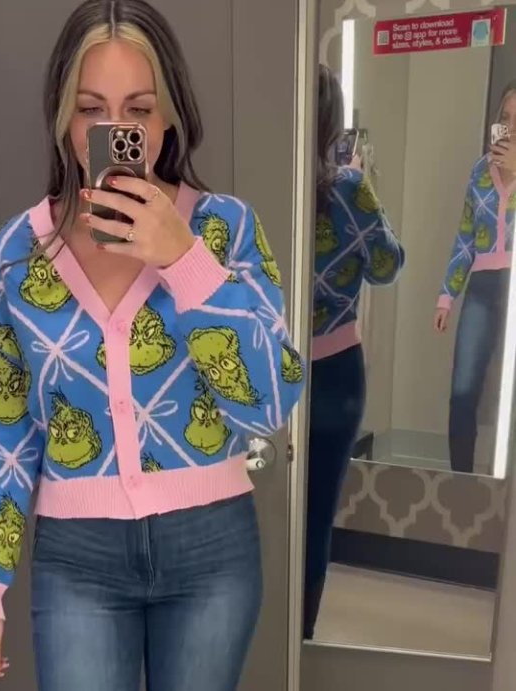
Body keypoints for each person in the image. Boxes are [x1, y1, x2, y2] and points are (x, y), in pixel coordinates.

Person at [0, 1, 305, 689]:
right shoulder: (17, 254)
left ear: (168, 116)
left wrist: (185, 262)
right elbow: (4, 433)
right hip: (76, 557)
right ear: (63, 118)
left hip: (212, 548)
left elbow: (268, 402)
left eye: (139, 110)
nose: (115, 131)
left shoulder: (225, 230)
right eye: (91, 109)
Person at [303, 65, 404, 639]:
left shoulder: (261, 184)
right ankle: (302, 639)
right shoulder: (347, 188)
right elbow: (387, 266)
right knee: (317, 514)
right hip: (337, 374)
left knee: (262, 509)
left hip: (270, 369)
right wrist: (363, 189)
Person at [434, 80, 516, 474]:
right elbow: (465, 238)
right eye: (506, 118)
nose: (510, 127)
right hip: (482, 288)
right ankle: (460, 484)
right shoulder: (480, 172)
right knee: (463, 391)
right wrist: (446, 297)